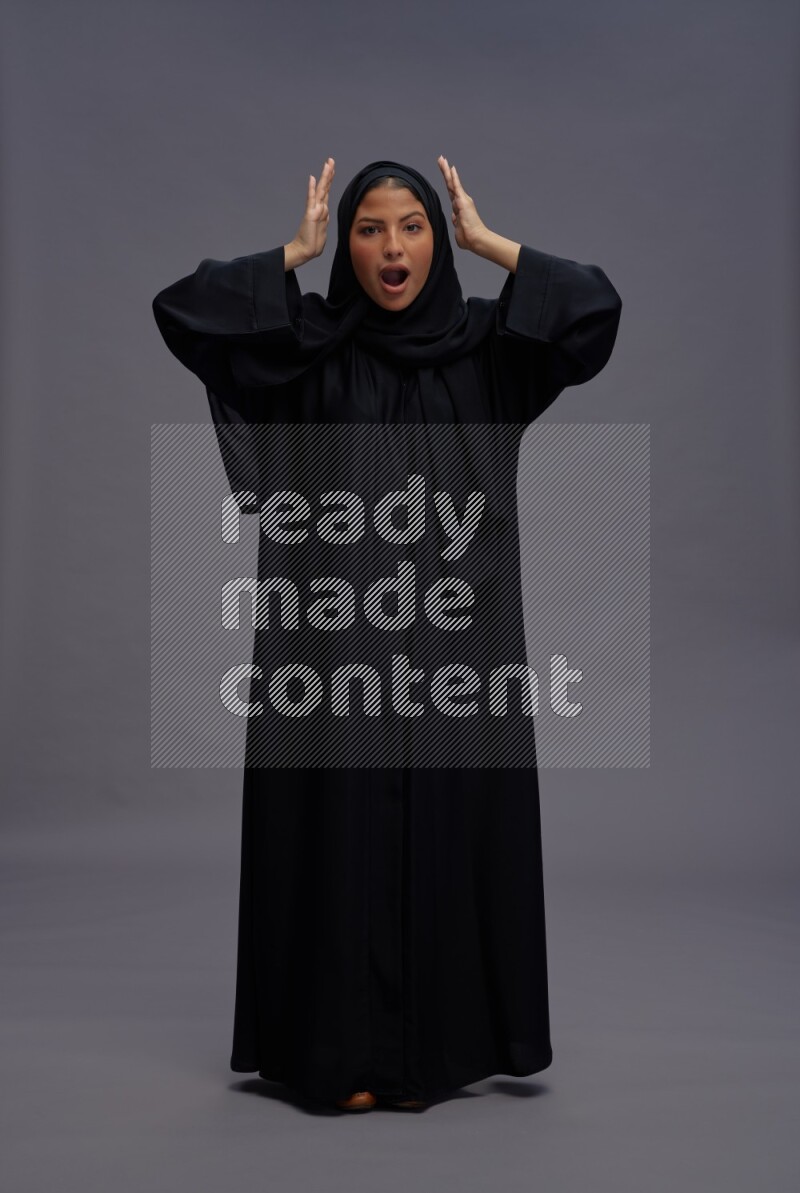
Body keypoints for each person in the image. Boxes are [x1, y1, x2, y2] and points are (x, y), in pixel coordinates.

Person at [152, 156, 622, 1113]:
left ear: (436, 242)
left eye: (413, 226)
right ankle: (344, 1056)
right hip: (334, 655)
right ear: (347, 244)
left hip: (459, 652)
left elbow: (591, 313)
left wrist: (493, 243)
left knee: (450, 836)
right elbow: (185, 313)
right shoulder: (308, 347)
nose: (392, 248)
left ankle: (431, 1053)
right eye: (370, 229)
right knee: (335, 838)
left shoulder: (490, 350)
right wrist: (291, 252)